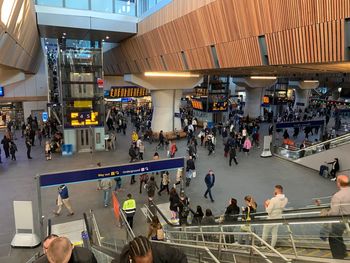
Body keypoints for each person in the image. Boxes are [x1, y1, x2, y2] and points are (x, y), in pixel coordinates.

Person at [327, 175, 350, 259]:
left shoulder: (337, 196)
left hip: (344, 220)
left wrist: (327, 214)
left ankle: (340, 256)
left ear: (339, 183)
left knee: (334, 236)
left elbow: (334, 212)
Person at [118, 236, 187, 263]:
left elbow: (181, 257)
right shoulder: (125, 257)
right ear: (131, 258)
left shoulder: (162, 251)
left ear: (151, 250)